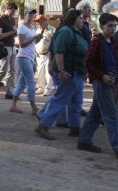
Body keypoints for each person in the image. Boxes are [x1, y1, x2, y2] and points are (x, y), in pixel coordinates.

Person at [77, 13, 118, 161]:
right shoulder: (97, 41)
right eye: (109, 26)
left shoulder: (112, 41)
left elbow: (114, 62)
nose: (112, 28)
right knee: (111, 115)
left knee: (96, 112)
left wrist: (113, 77)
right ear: (102, 26)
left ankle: (84, 140)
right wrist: (102, 76)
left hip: (110, 81)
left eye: (114, 26)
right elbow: (88, 62)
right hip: (101, 81)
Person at [34, 9, 88, 140]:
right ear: (73, 19)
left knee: (76, 101)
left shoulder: (76, 32)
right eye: (81, 18)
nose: (83, 20)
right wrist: (62, 71)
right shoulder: (65, 32)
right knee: (60, 99)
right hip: (68, 73)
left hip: (77, 72)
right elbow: (59, 52)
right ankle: (43, 126)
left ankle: (75, 127)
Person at [10, 8, 42, 115]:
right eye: (30, 13)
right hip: (23, 57)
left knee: (22, 83)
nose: (32, 15)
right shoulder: (22, 27)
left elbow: (34, 42)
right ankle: (33, 107)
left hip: (30, 57)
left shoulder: (32, 27)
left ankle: (13, 105)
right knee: (31, 82)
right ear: (25, 15)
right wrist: (34, 37)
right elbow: (21, 44)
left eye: (33, 13)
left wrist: (39, 38)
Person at [0, 2, 19, 99]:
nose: (13, 13)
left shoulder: (12, 19)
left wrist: (15, 32)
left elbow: (13, 34)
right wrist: (11, 32)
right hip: (4, 47)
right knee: (3, 70)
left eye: (14, 11)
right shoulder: (0, 19)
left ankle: (9, 92)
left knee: (12, 70)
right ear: (7, 9)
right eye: (12, 11)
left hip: (12, 46)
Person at [34, 14, 56, 96]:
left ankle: (49, 89)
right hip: (39, 54)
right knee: (40, 71)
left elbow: (54, 42)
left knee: (48, 72)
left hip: (48, 54)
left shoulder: (52, 30)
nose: (37, 24)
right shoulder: (37, 30)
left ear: (44, 21)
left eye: (38, 22)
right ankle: (41, 87)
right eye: (36, 22)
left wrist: (52, 53)